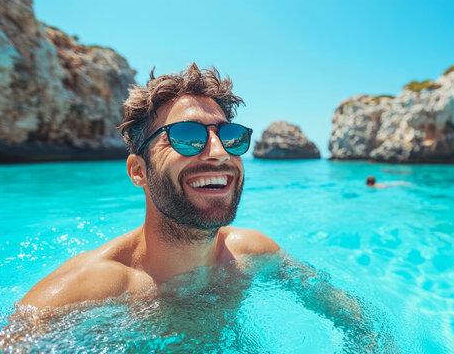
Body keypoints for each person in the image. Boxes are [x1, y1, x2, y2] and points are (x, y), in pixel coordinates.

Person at [20, 63, 280, 308]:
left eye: (230, 137)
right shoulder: (74, 297)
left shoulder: (256, 254)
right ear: (138, 172)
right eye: (186, 136)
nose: (219, 151)